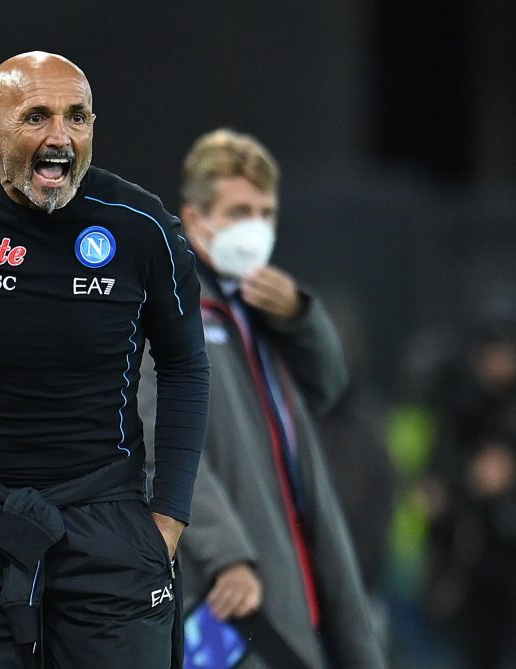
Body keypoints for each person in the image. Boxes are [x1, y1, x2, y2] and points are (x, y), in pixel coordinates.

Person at [0, 51, 210, 668]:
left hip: (106, 524)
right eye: (36, 117)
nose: (60, 137)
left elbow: (186, 367)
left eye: (77, 117)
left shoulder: (142, 226)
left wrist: (169, 519)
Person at [156, 128, 386, 668]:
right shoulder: (167, 312)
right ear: (194, 220)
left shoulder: (259, 309)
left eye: (266, 213)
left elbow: (328, 385)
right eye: (239, 211)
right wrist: (226, 554)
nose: (255, 227)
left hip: (303, 565)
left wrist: (300, 317)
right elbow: (160, 449)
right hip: (234, 588)